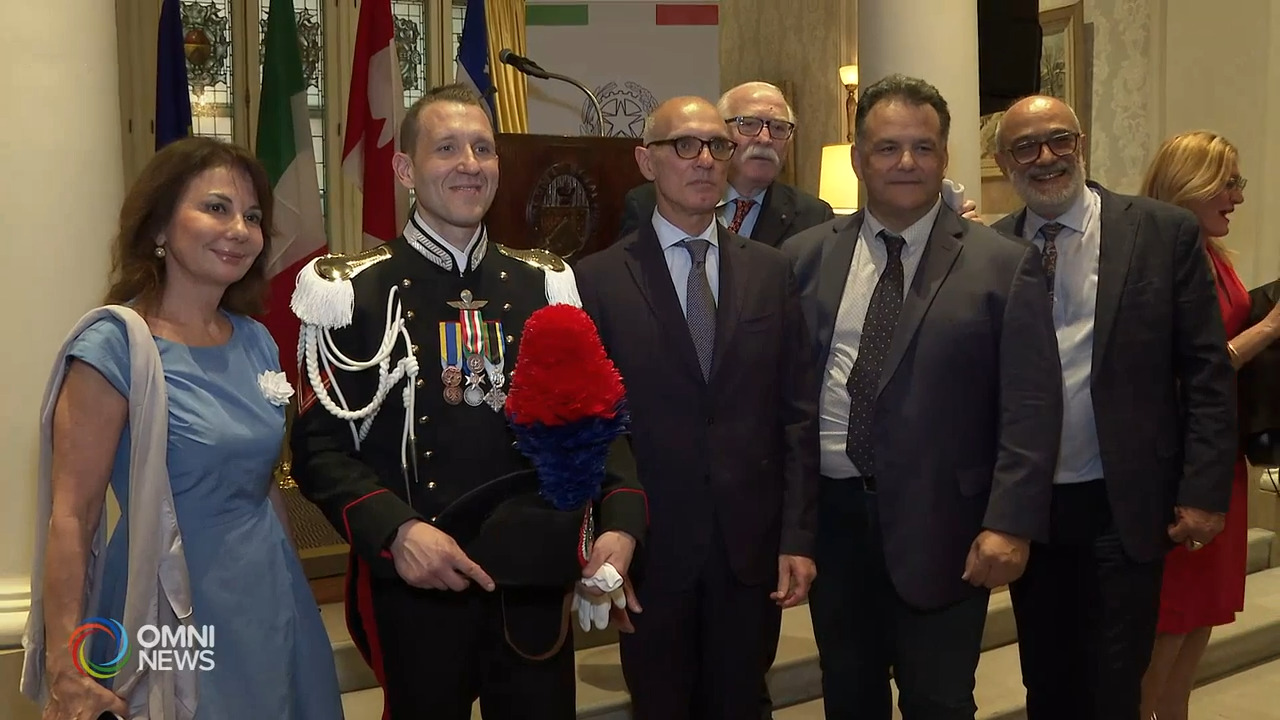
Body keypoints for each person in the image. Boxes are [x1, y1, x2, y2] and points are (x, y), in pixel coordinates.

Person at [287, 83, 649, 720]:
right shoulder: (351, 291)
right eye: (446, 148)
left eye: (482, 148)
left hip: (532, 582)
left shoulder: (547, 284)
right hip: (416, 581)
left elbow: (594, 422)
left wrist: (620, 525)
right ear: (405, 169)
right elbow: (319, 452)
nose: (468, 163)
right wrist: (397, 532)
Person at [21, 137, 343, 720]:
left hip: (271, 598)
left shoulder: (257, 340)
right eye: (217, 208)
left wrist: (295, 598)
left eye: (251, 217)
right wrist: (65, 667)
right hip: (170, 607)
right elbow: (73, 514)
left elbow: (265, 484)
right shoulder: (113, 347)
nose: (239, 229)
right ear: (161, 227)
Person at [781, 74, 1063, 720]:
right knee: (848, 696)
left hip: (947, 529)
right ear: (857, 159)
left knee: (939, 701)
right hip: (833, 525)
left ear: (945, 156)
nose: (906, 162)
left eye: (923, 147)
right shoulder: (802, 258)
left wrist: (1010, 522)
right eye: (887, 148)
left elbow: (1032, 406)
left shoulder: (1003, 263)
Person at [574, 95, 819, 720]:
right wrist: (606, 535)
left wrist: (797, 535)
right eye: (685, 145)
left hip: (750, 551)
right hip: (651, 550)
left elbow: (795, 413)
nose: (705, 160)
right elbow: (591, 426)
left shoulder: (771, 272)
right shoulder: (595, 280)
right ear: (646, 161)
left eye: (717, 146)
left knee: (743, 704)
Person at [992, 97, 1237, 720]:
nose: (1045, 157)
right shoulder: (990, 250)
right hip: (1032, 507)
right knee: (1046, 681)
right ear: (1002, 162)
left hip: (1123, 502)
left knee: (1115, 685)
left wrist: (1205, 490)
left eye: (1059, 140)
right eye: (1025, 146)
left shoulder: (1160, 231)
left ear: (1082, 142)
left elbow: (1206, 371)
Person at [1139, 131, 1270, 720]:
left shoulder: (1213, 254)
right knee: (1167, 627)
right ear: (1186, 185)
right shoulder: (1156, 257)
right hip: (1182, 464)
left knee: (1201, 622)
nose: (1237, 197)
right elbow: (1177, 371)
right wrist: (1268, 331)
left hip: (1222, 457)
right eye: (1228, 183)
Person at [618, 81, 834, 246]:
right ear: (719, 134)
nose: (765, 139)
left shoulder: (813, 217)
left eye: (779, 128)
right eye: (748, 124)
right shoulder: (648, 204)